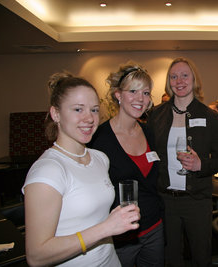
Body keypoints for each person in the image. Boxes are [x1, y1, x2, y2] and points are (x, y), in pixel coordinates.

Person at [22, 72, 140, 267]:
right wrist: (106, 228)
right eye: (78, 109)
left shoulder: (100, 158)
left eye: (94, 110)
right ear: (56, 114)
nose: (89, 118)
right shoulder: (48, 171)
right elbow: (36, 255)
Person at [148, 57, 218, 267]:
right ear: (168, 82)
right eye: (173, 76)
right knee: (170, 257)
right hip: (165, 200)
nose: (179, 81)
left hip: (197, 200)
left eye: (184, 75)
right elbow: (150, 154)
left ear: (194, 80)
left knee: (201, 256)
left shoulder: (209, 116)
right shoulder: (156, 114)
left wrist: (201, 166)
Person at [89, 62, 164, 266]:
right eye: (133, 91)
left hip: (155, 228)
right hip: (120, 237)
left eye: (146, 93)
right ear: (118, 95)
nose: (141, 99)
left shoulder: (149, 132)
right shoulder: (99, 139)